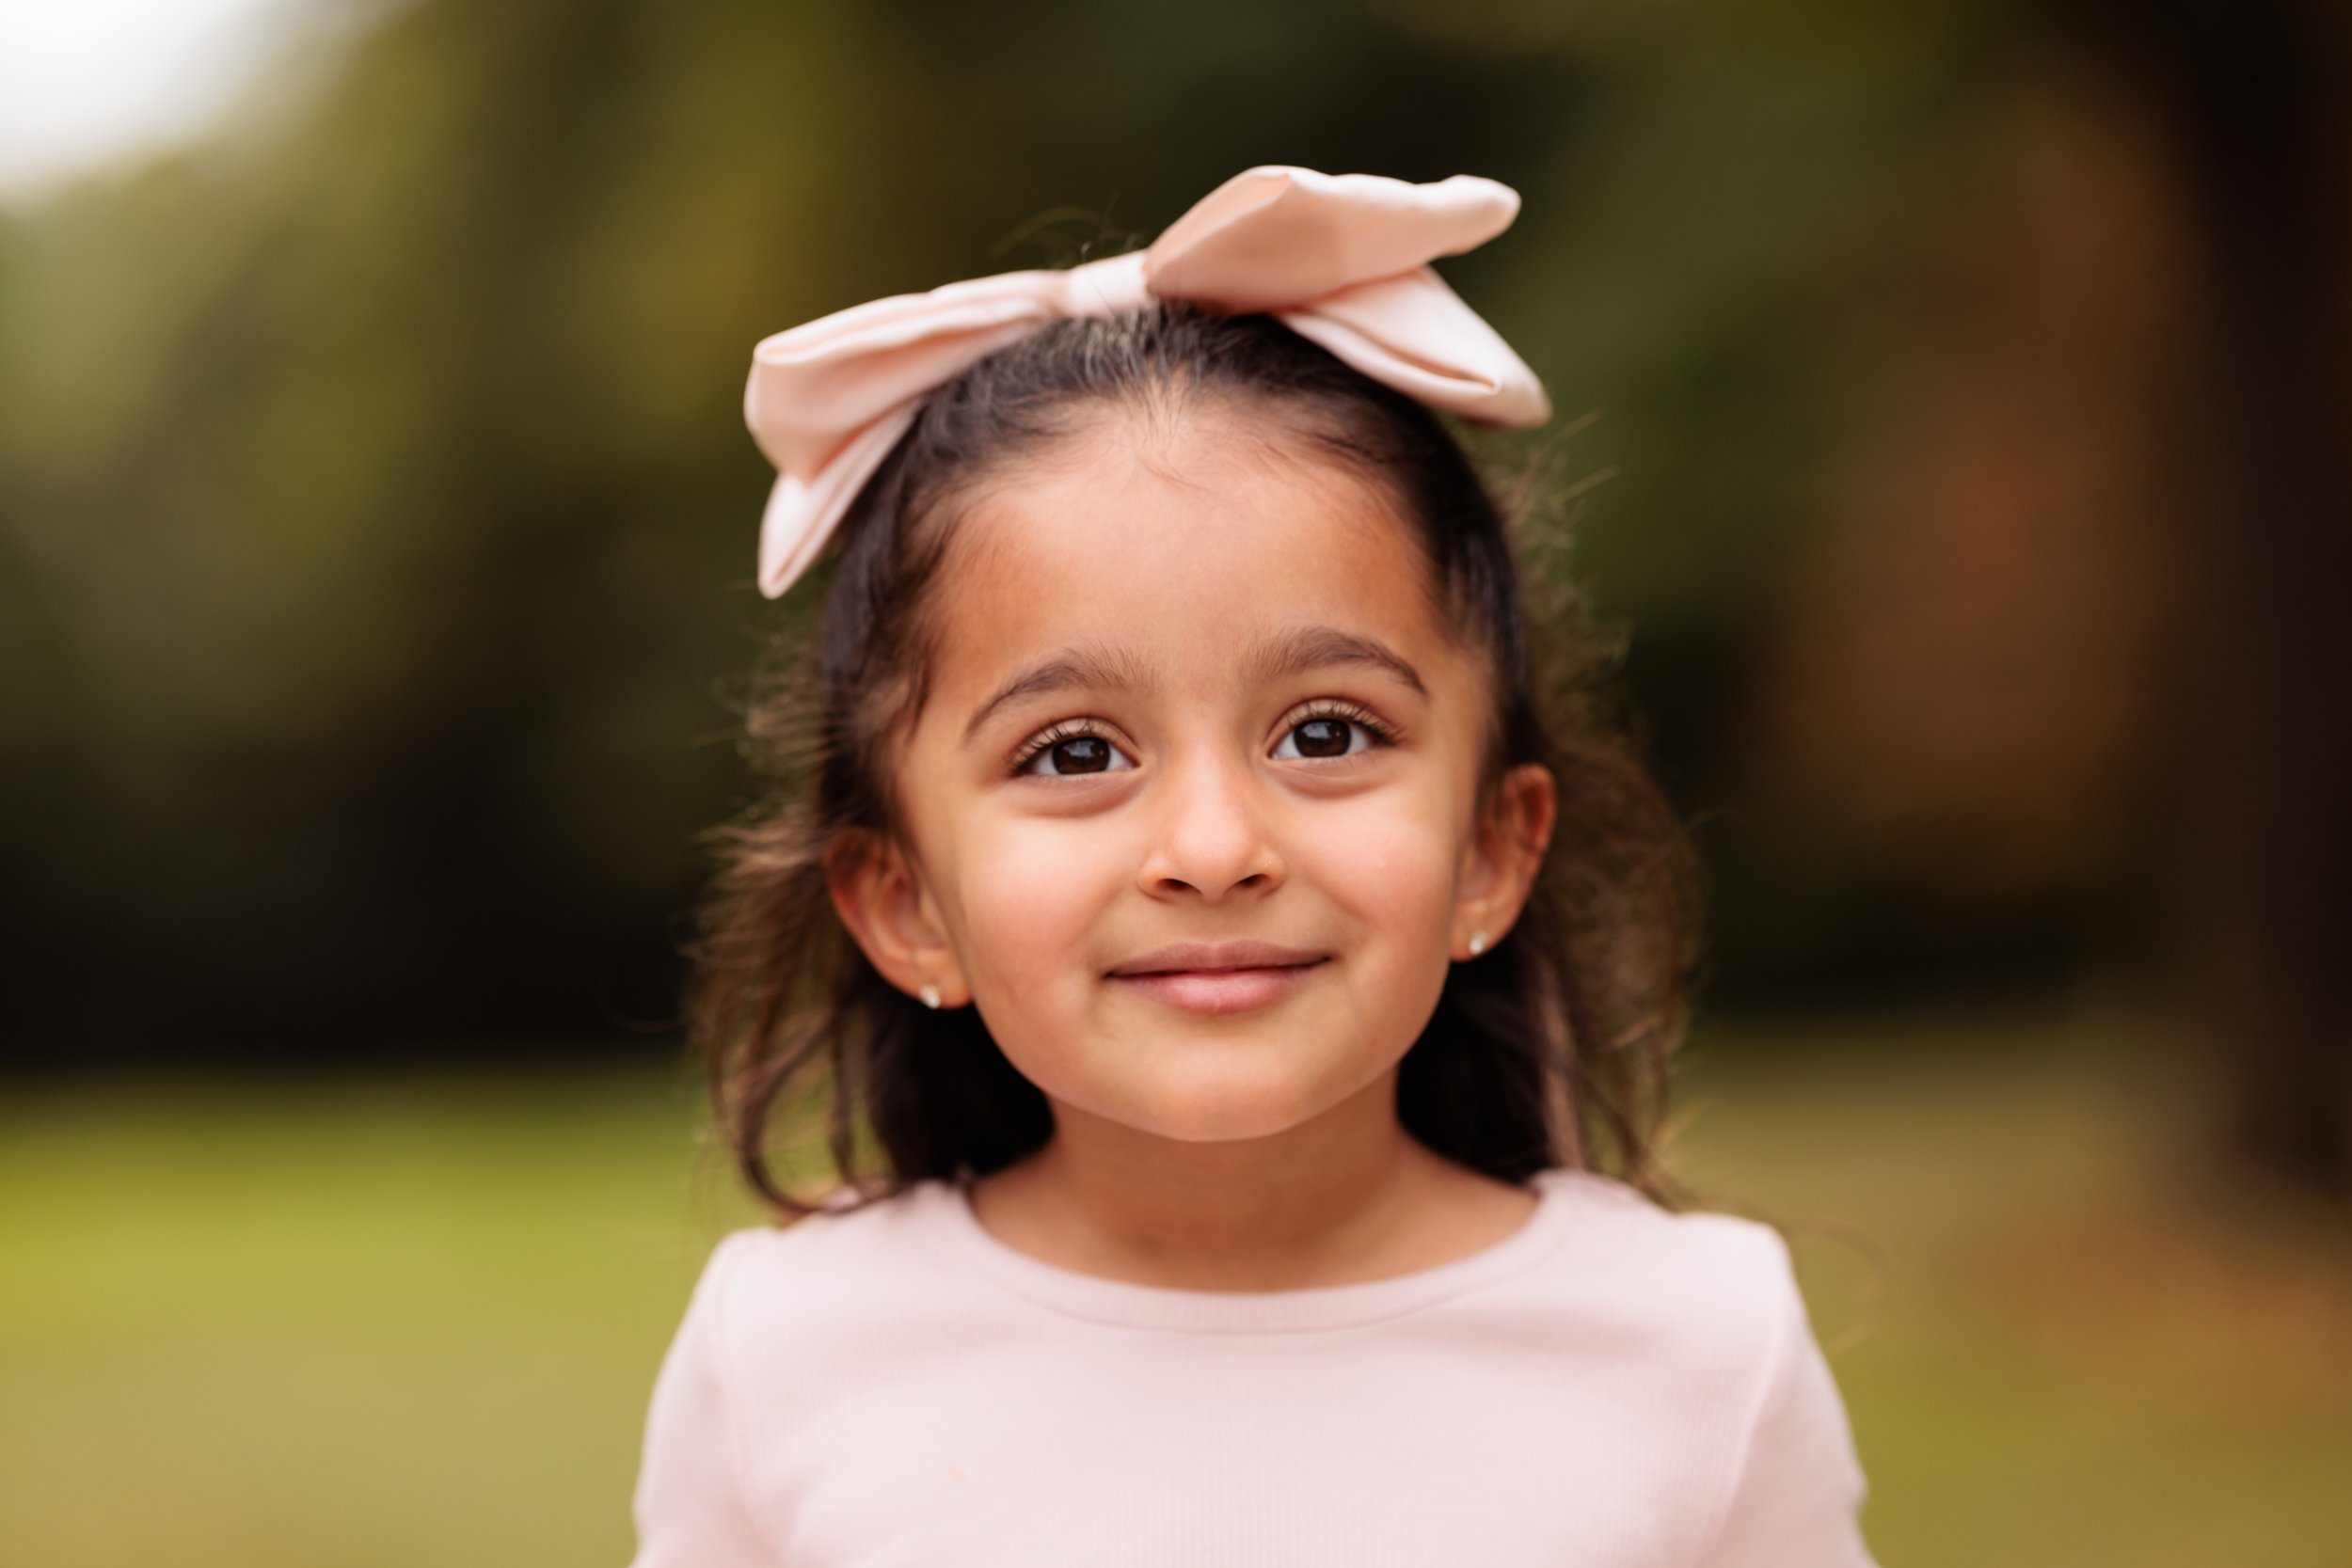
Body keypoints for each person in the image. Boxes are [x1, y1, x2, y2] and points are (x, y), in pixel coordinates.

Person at [625, 166, 1880, 1567]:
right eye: (1075, 754)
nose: (1214, 850)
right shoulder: (788, 1359)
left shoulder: (1700, 1352)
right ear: (908, 906)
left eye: (1327, 732)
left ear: (1489, 851)